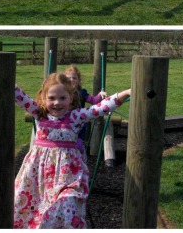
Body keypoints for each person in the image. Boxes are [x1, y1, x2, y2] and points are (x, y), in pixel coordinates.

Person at [13, 73, 131, 229]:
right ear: (43, 98)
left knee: (68, 204)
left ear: (71, 98)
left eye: (62, 98)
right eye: (52, 98)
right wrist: (8, 83)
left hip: (67, 176)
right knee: (30, 209)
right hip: (38, 176)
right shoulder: (40, 114)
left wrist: (126, 93)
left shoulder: (76, 117)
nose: (57, 103)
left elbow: (100, 108)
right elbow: (22, 99)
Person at [64, 64, 107, 155]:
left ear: (79, 80)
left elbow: (94, 100)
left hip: (79, 121)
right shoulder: (62, 92)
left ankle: (80, 151)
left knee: (79, 141)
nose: (71, 80)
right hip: (65, 120)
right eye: (68, 78)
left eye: (74, 78)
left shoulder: (81, 93)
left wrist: (100, 94)